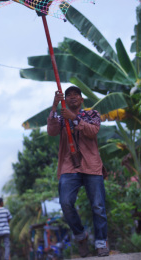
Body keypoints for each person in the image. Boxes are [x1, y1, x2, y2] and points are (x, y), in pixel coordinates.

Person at [47, 86, 109, 257]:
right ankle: (81, 236)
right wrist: (54, 106)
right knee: (65, 202)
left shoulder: (92, 114)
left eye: (76, 95)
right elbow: (52, 131)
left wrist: (74, 118)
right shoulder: (60, 118)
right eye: (69, 95)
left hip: (91, 164)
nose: (73, 97)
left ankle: (101, 243)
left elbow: (93, 131)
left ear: (82, 99)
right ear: (65, 100)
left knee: (98, 206)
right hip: (69, 165)